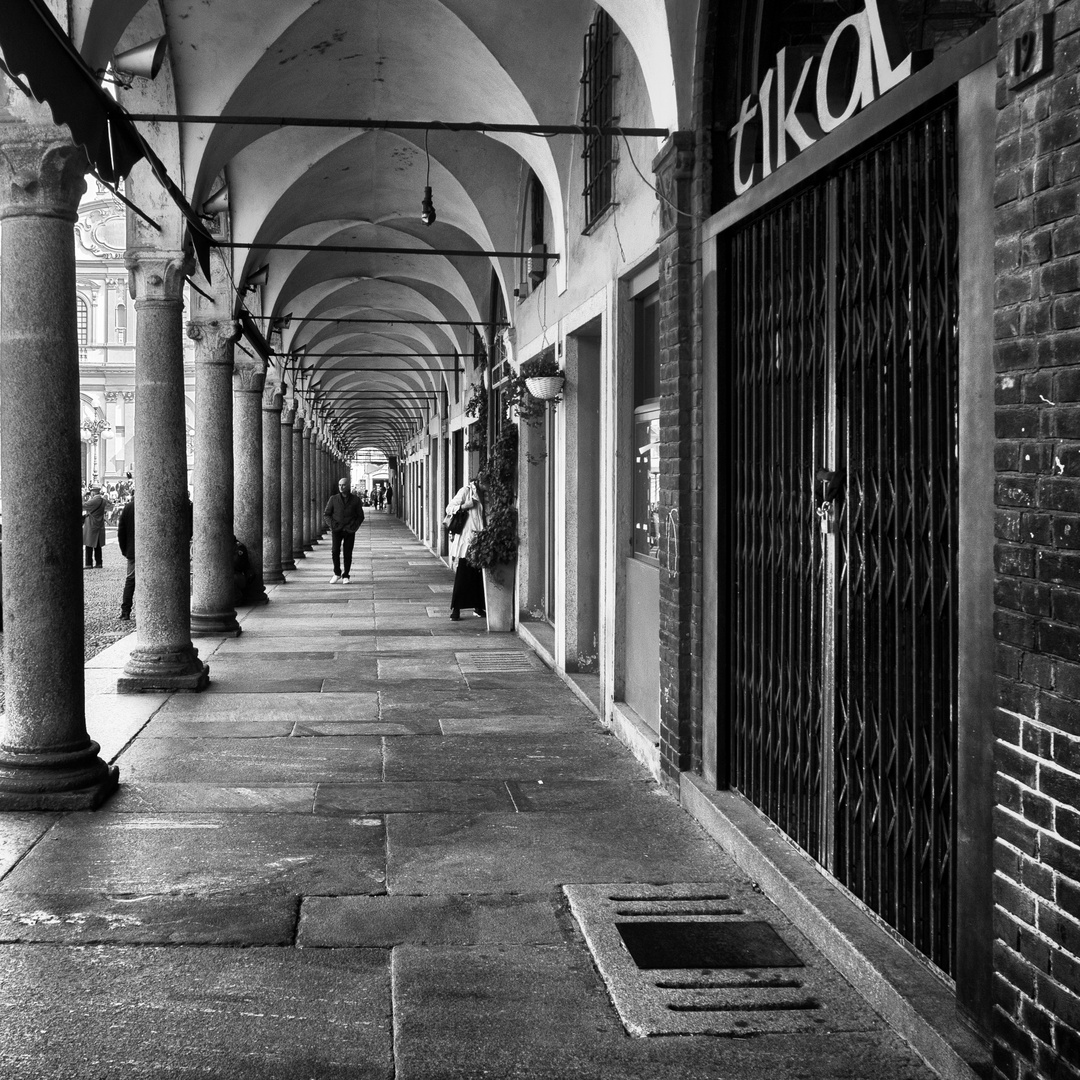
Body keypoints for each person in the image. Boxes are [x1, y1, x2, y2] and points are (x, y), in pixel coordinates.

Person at [444, 479, 486, 620]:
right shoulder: (466, 491)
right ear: (480, 480)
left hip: (481, 540)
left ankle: (479, 607)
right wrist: (464, 506)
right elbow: (449, 508)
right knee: (463, 575)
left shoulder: (486, 495)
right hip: (466, 541)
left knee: (479, 575)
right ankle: (456, 610)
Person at [323, 477, 364, 584]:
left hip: (349, 530)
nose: (341, 487)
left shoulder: (356, 500)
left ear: (348, 486)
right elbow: (327, 514)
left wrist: (354, 527)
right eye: (339, 485)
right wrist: (332, 525)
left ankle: (346, 575)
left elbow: (360, 516)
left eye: (343, 485)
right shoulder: (333, 499)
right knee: (335, 551)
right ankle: (337, 573)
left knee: (348, 553)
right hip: (337, 529)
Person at [117, 487, 135, 620]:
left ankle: (125, 611)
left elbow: (121, 532)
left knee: (130, 581)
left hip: (132, 552)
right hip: (152, 554)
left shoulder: (128, 507)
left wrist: (125, 550)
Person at [82, 484, 110, 569]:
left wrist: (83, 496)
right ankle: (99, 563)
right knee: (98, 545)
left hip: (91, 524)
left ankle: (88, 563)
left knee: (89, 544)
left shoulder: (94, 501)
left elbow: (82, 505)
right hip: (99, 524)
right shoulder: (103, 500)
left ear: (93, 492)